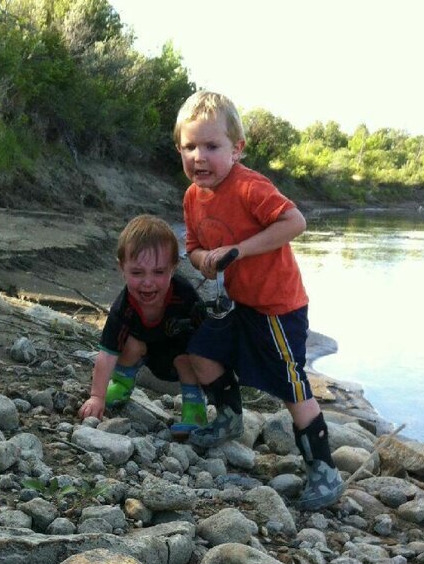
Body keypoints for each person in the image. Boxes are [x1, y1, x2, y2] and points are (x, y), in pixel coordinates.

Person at [174, 90, 344, 511]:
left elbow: (295, 222)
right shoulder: (193, 196)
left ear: (237, 149)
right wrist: (205, 260)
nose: (200, 157)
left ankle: (324, 471)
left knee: (291, 385)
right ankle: (229, 419)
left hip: (277, 308)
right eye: (190, 147)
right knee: (200, 353)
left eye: (212, 147)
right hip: (241, 304)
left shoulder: (250, 187)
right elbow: (193, 245)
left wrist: (239, 250)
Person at [79, 214, 208, 435]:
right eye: (137, 273)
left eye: (158, 272)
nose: (148, 282)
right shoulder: (123, 307)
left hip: (179, 356)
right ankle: (122, 384)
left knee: (189, 357)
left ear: (173, 268)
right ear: (122, 268)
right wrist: (97, 396)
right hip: (144, 352)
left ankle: (195, 408)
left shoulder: (185, 296)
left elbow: (207, 335)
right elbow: (107, 354)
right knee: (128, 343)